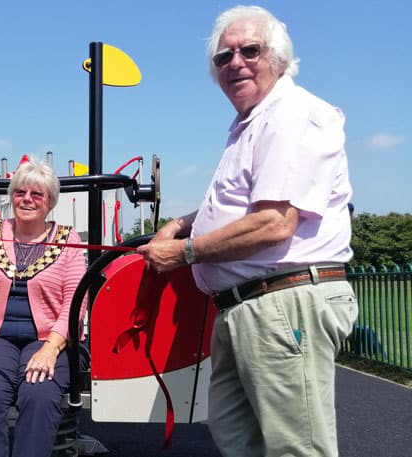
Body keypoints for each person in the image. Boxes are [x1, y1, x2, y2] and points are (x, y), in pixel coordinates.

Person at [137, 6, 357, 457]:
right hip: (250, 306)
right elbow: (240, 203)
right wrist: (180, 224)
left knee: (297, 448)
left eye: (249, 50)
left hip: (281, 302)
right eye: (223, 57)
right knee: (240, 441)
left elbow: (275, 222)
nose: (235, 62)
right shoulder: (253, 123)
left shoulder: (289, 115)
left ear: (279, 58)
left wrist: (185, 252)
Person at [0, 159, 89, 457]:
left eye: (37, 194)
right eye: (20, 192)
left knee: (40, 393)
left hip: (51, 339)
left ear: (50, 202)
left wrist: (50, 349)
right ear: (11, 196)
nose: (27, 199)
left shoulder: (67, 239)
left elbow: (76, 302)